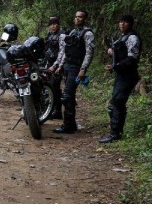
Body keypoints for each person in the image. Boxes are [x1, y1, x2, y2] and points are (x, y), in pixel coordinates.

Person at [49, 9, 95, 134]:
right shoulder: (74, 32)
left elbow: (89, 53)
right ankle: (71, 124)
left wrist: (83, 69)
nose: (77, 19)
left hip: (77, 68)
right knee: (69, 96)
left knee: (66, 96)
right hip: (68, 66)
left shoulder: (88, 34)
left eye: (80, 17)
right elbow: (66, 51)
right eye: (76, 17)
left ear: (85, 19)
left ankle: (68, 125)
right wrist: (60, 65)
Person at [99, 15, 141, 143]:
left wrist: (115, 66)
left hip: (128, 75)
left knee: (117, 102)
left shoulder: (133, 37)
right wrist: (112, 51)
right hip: (121, 75)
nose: (122, 24)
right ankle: (116, 131)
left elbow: (132, 58)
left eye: (126, 22)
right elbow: (122, 51)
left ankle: (114, 134)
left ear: (131, 24)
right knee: (116, 103)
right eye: (121, 21)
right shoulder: (123, 37)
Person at [44, 15, 66, 119]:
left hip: (57, 66)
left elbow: (63, 52)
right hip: (49, 65)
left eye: (55, 24)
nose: (53, 26)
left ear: (58, 25)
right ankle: (52, 110)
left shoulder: (62, 35)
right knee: (50, 86)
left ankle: (57, 111)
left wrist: (57, 66)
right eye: (51, 24)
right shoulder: (49, 35)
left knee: (54, 87)